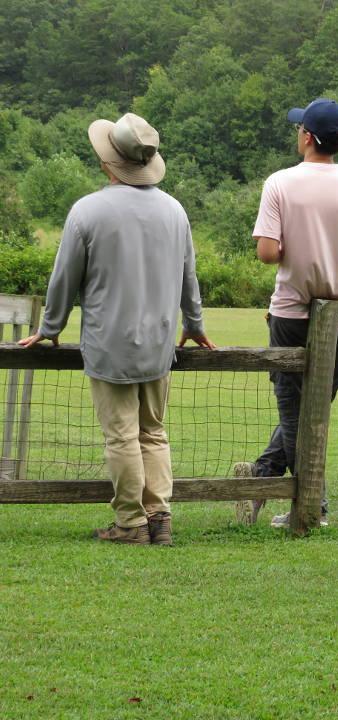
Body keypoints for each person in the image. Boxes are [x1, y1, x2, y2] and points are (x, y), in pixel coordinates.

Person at [18, 112, 215, 545]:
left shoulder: (88, 211)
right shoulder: (175, 210)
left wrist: (50, 327)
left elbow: (64, 279)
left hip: (110, 342)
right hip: (161, 342)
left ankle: (131, 523)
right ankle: (159, 517)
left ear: (108, 162)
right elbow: (189, 279)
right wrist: (195, 324)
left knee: (122, 435)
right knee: (154, 432)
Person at [234, 98, 338, 529]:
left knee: (295, 408)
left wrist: (301, 247)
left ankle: (297, 498)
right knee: (313, 409)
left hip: (290, 312)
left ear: (306, 136)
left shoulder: (280, 183)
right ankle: (272, 482)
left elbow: (267, 252)